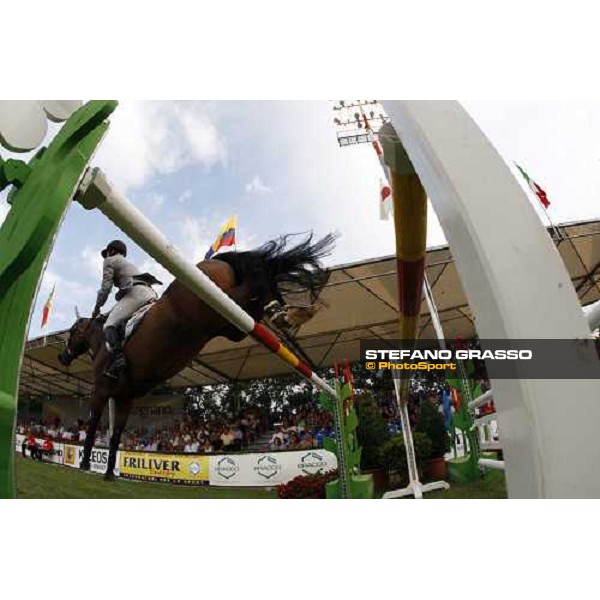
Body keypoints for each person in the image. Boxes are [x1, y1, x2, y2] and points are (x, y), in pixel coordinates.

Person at [91, 240, 161, 378]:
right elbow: (122, 305)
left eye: (107, 253)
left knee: (109, 325)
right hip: (150, 293)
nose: (106, 256)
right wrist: (105, 313)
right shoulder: (128, 265)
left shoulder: (110, 260)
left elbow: (106, 288)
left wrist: (97, 307)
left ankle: (118, 359)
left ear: (111, 251)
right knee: (120, 322)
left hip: (136, 294)